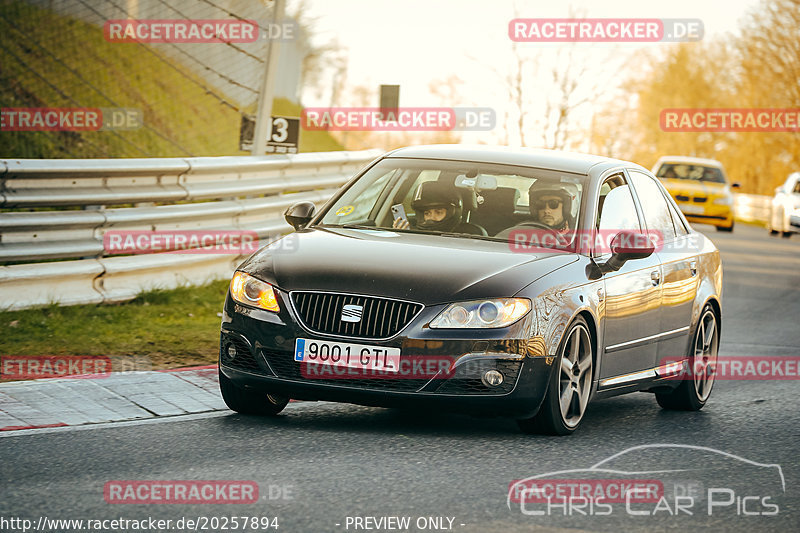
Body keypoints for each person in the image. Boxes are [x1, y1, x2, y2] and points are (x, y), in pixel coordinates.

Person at [392, 180, 485, 235]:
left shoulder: (472, 236)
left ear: (453, 213)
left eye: (438, 212)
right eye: (427, 213)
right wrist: (401, 237)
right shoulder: (412, 233)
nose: (432, 218)